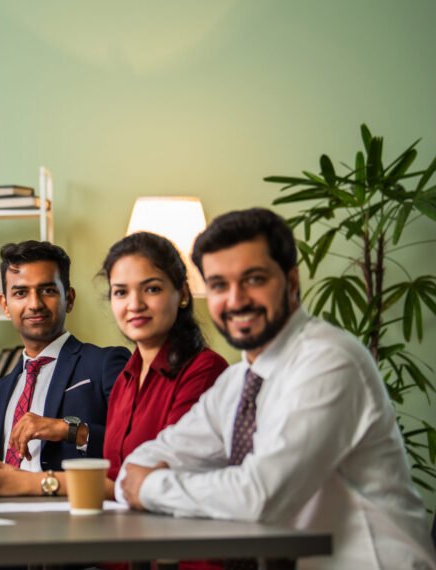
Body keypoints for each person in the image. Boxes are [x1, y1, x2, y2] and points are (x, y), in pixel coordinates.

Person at [118, 208, 436, 568]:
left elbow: (261, 497)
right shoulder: (238, 381)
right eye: (220, 285)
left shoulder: (330, 360)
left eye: (254, 279)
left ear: (292, 280)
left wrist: (153, 488)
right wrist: (146, 481)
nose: (236, 300)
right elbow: (138, 465)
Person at [0, 233, 227, 506]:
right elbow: (119, 476)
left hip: (148, 531)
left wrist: (46, 463)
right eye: (121, 292)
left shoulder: (114, 365)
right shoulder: (131, 378)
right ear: (5, 305)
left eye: (152, 289)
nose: (135, 304)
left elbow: (149, 479)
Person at [0, 241, 130, 495]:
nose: (34, 304)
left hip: (72, 521)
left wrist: (65, 429)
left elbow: (134, 444)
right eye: (20, 293)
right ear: (4, 305)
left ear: (69, 298)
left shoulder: (104, 364)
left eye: (47, 290)